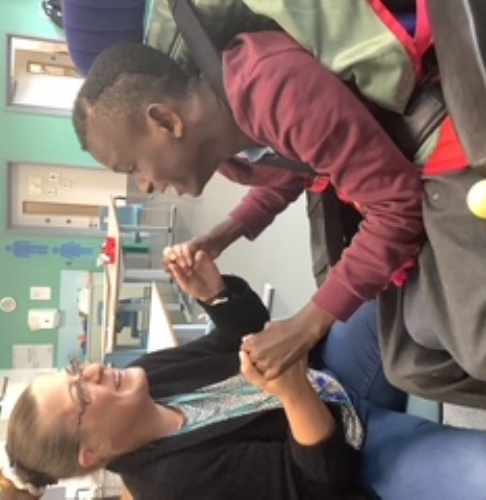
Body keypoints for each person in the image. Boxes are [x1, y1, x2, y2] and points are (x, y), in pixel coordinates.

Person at [4, 249, 486, 500]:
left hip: (335, 378)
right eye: (81, 393)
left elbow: (236, 340)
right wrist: (293, 393)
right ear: (92, 452)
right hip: (359, 455)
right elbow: (318, 481)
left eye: (76, 370)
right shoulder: (173, 486)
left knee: (396, 281)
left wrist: (216, 294)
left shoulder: (145, 374)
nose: (93, 369)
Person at [72, 32, 424, 381]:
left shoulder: (273, 86)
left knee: (414, 349)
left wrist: (305, 326)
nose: (144, 186)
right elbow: (290, 174)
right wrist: (218, 239)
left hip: (425, 141)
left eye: (133, 167)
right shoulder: (228, 152)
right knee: (394, 340)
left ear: (166, 122)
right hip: (391, 173)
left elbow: (397, 206)